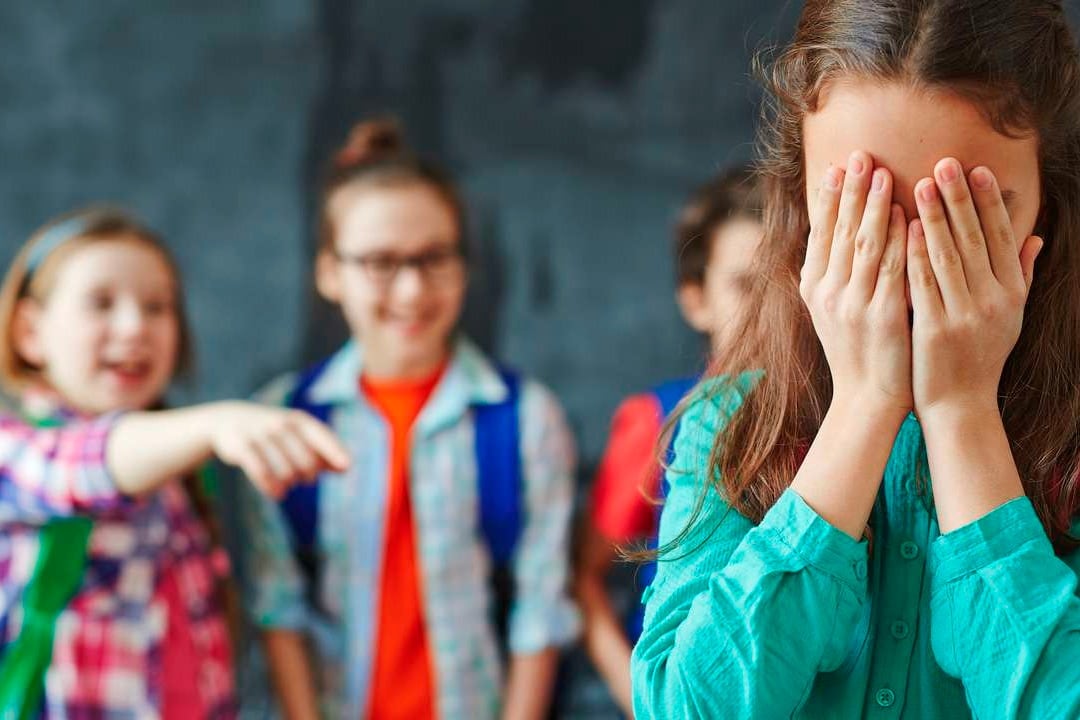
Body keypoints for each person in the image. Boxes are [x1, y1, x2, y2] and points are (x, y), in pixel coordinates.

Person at [631, 1, 1080, 717]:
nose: (904, 259)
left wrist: (962, 412)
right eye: (859, 210)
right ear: (802, 203)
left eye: (965, 215)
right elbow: (689, 707)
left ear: (1047, 211)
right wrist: (865, 404)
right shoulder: (732, 422)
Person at [0, 207, 348, 718]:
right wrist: (214, 423)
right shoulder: (16, 445)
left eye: (157, 306)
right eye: (101, 303)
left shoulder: (180, 474)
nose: (135, 326)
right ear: (30, 332)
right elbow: (81, 465)